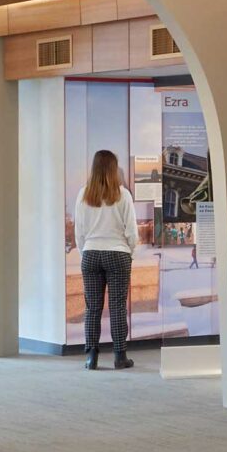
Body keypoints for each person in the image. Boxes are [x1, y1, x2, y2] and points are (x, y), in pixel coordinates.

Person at [68, 148, 137, 371]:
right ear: (114, 169)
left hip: (91, 254)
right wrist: (129, 252)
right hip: (118, 253)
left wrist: (85, 251)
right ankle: (120, 357)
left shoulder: (83, 194)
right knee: (117, 307)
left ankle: (91, 357)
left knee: (92, 308)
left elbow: (79, 231)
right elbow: (132, 232)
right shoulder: (123, 194)